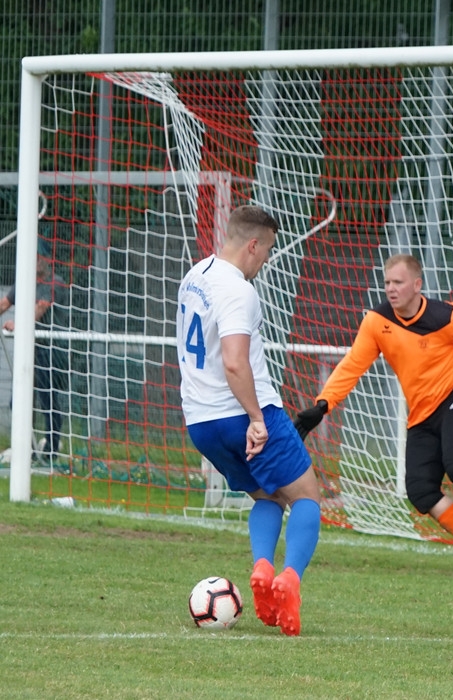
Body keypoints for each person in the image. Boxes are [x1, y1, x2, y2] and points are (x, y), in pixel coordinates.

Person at [294, 253, 453, 576]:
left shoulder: (446, 315)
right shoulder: (377, 322)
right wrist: (323, 404)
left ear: (417, 284)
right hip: (422, 414)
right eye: (387, 282)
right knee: (420, 490)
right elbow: (353, 365)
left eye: (398, 282)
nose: (390, 288)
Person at [176, 204, 320, 637]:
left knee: (267, 496)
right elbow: (236, 363)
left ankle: (261, 567)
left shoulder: (195, 276)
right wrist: (257, 419)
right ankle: (289, 580)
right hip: (242, 412)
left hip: (201, 422)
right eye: (269, 249)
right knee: (307, 497)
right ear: (253, 245)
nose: (268, 259)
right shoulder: (239, 291)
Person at [0, 256, 69, 467]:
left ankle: (51, 451)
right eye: (34, 258)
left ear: (46, 261)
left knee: (48, 400)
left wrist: (18, 324)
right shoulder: (23, 282)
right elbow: (4, 303)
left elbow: (40, 308)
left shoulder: (54, 283)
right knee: (18, 401)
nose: (36, 261)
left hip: (51, 350)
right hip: (29, 351)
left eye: (40, 258)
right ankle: (26, 449)